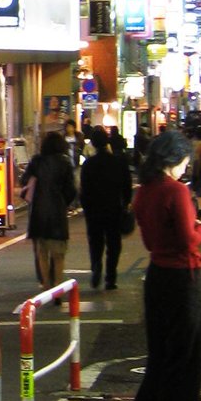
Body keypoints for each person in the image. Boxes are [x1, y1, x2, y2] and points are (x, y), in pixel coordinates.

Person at [131, 128, 201, 401]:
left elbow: (154, 242)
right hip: (182, 279)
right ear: (174, 158)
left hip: (157, 276)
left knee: (162, 350)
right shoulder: (175, 192)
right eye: (185, 161)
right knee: (183, 351)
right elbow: (186, 240)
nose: (186, 167)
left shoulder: (144, 192)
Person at [20, 129, 75, 290]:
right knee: (58, 254)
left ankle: (46, 285)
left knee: (42, 252)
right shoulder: (64, 163)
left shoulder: (37, 161)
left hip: (38, 212)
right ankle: (58, 286)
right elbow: (71, 189)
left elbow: (25, 180)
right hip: (57, 212)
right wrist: (64, 202)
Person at [79, 124, 132, 291]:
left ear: (93, 144)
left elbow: (84, 190)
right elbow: (127, 186)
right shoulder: (118, 162)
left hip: (94, 210)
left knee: (95, 242)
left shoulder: (88, 165)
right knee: (113, 244)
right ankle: (111, 277)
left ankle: (96, 267)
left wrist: (86, 207)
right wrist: (126, 203)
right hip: (114, 207)